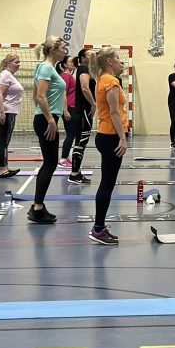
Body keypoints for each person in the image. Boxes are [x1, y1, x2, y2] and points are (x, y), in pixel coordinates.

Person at [28, 36, 69, 224]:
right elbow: (40, 96)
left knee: (50, 163)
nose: (65, 51)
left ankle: (38, 206)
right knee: (50, 163)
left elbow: (38, 96)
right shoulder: (45, 68)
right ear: (54, 50)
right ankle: (37, 208)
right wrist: (50, 120)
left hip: (46, 118)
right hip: (46, 120)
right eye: (63, 48)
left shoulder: (47, 67)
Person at [89, 47, 127, 245]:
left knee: (107, 183)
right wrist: (122, 138)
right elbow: (114, 112)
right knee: (107, 184)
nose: (122, 62)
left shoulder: (102, 79)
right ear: (109, 62)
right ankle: (98, 228)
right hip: (111, 136)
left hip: (105, 135)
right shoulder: (111, 81)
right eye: (118, 59)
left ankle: (99, 227)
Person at [67, 48, 95, 186]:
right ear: (83, 58)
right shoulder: (84, 69)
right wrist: (93, 103)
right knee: (81, 141)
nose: (93, 55)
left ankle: (76, 172)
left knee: (81, 140)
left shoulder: (86, 69)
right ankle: (74, 174)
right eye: (90, 54)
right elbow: (85, 88)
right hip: (83, 110)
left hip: (84, 110)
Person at [0, 53, 24, 179]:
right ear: (8, 63)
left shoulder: (9, 75)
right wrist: (2, 112)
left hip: (9, 111)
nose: (19, 64)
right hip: (6, 112)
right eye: (16, 62)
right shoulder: (5, 75)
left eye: (19, 62)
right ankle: (3, 170)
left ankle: (5, 168)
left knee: (4, 141)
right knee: (3, 142)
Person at [58, 55, 77, 168]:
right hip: (69, 107)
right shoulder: (66, 76)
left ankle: (65, 158)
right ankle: (63, 159)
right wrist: (65, 111)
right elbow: (63, 93)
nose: (73, 63)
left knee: (72, 133)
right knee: (70, 134)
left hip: (71, 107)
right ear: (65, 64)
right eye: (70, 62)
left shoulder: (70, 76)